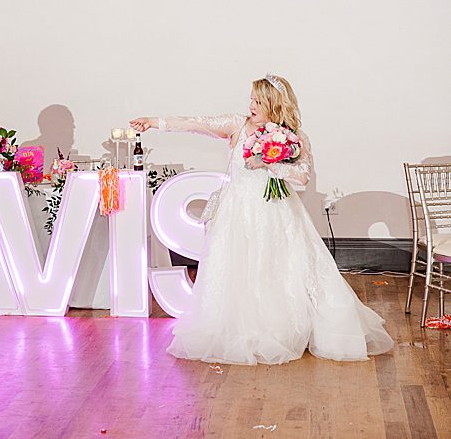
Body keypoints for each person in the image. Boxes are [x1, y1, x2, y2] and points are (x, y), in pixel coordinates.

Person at [130, 74, 393, 365]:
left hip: (276, 209)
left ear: (273, 104)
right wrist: (155, 122)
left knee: (278, 266)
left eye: (258, 100)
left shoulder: (293, 137)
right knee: (237, 268)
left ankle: (282, 328)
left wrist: (270, 161)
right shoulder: (237, 125)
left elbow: (302, 176)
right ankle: (240, 329)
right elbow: (195, 123)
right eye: (251, 99)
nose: (251, 105)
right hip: (237, 210)